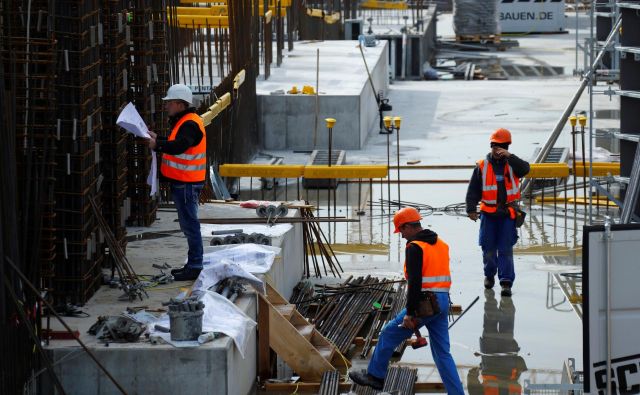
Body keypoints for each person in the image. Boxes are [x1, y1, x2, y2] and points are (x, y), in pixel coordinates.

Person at [349, 207, 464, 394]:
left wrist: (410, 314)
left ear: (409, 226)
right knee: (443, 354)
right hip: (443, 302)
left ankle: (375, 377)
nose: (401, 235)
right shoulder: (441, 244)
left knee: (388, 334)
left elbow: (415, 283)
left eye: (401, 230)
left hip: (425, 303)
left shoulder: (415, 247)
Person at [148, 84, 206, 281]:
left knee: (190, 225)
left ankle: (195, 265)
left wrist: (159, 145)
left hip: (187, 183)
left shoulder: (189, 124)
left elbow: (181, 145)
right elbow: (177, 142)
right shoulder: (185, 121)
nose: (166, 107)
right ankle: (193, 264)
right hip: (184, 182)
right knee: (188, 224)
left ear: (180, 104)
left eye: (170, 103)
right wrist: (161, 139)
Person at [466, 128, 529, 297]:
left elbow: (525, 169)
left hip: (508, 213)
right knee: (488, 248)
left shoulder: (513, 164)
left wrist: (510, 156)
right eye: (495, 146)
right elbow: (473, 189)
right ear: (491, 146)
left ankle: (506, 282)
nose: (498, 149)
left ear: (507, 147)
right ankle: (489, 275)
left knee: (505, 248)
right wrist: (471, 208)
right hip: (488, 214)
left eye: (501, 146)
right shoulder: (482, 166)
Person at [467, 290, 527, 394]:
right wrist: (472, 374)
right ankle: (491, 299)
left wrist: (518, 364)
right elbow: (473, 389)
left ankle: (505, 301)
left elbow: (516, 383)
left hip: (507, 363)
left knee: (506, 329)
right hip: (491, 362)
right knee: (490, 327)